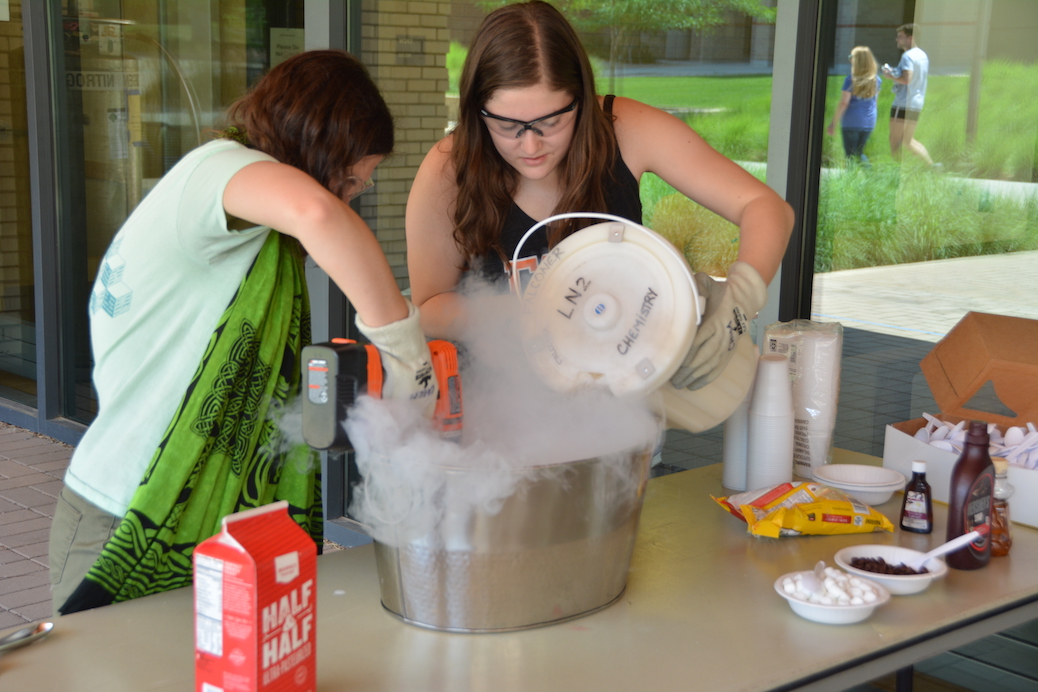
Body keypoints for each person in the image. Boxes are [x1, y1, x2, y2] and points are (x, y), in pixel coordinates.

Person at [49, 50, 437, 615]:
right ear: (313, 142)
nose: (350, 196)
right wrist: (408, 358)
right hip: (128, 513)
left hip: (198, 514)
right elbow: (319, 214)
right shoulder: (217, 171)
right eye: (349, 178)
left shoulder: (242, 214)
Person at [406, 1, 794, 393]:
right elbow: (429, 307)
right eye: (507, 125)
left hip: (618, 411)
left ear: (581, 99)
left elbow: (765, 207)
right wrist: (535, 311)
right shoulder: (448, 169)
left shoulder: (625, 130)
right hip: (497, 415)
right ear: (478, 111)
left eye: (551, 121)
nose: (530, 145)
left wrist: (741, 299)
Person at [882, 23, 933, 165]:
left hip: (903, 103)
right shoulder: (922, 55)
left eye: (900, 37)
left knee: (895, 139)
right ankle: (932, 167)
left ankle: (895, 172)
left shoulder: (907, 56)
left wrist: (889, 76)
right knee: (907, 140)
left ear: (910, 38)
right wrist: (895, 73)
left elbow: (906, 79)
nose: (897, 39)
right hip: (916, 102)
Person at [827, 46, 881, 166]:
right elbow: (874, 103)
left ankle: (861, 177)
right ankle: (870, 177)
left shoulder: (850, 80)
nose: (850, 59)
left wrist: (833, 123)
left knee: (851, 155)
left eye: (851, 57)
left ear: (857, 61)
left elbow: (844, 103)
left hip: (851, 121)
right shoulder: (876, 80)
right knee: (859, 153)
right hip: (868, 122)